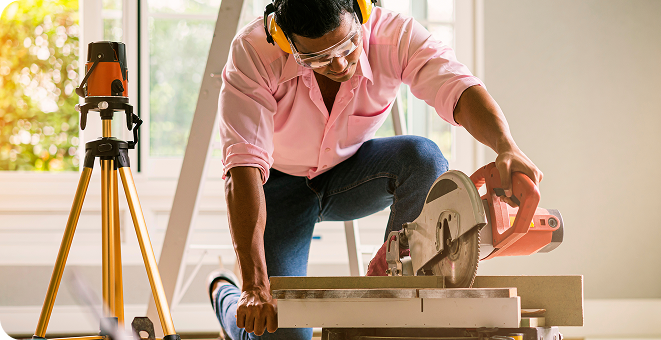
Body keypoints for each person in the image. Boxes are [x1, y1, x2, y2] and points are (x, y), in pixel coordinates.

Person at [208, 1, 542, 339]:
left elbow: (457, 86)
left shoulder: (394, 35)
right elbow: (243, 167)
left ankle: (394, 290)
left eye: (347, 44)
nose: (338, 63)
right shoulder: (253, 53)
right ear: (285, 40)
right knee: (282, 332)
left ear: (361, 11)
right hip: (278, 187)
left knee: (423, 158)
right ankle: (226, 296)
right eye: (316, 58)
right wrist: (254, 287)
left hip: (350, 174)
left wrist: (505, 146)